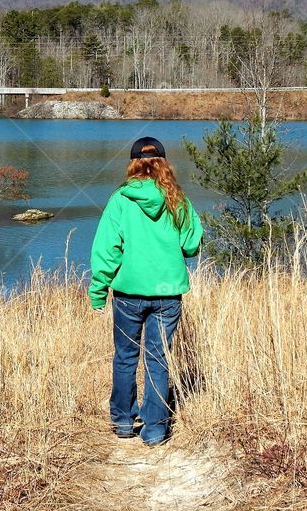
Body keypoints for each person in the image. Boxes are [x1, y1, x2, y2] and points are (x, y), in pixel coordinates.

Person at [89, 136, 204, 446]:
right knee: (158, 359)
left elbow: (106, 251)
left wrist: (98, 292)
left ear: (133, 164)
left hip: (127, 295)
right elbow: (191, 244)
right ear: (163, 163)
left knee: (125, 357)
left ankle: (124, 422)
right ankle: (154, 430)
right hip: (168, 294)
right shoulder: (177, 198)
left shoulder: (121, 200)